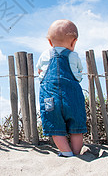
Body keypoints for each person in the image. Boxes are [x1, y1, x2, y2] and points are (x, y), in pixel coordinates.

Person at [37, 19, 87, 157]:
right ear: (73, 42)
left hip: (50, 98)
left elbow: (40, 72)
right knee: (76, 128)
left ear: (50, 42)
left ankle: (66, 153)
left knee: (55, 127)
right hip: (71, 98)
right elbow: (78, 76)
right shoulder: (73, 56)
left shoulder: (45, 55)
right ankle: (76, 153)